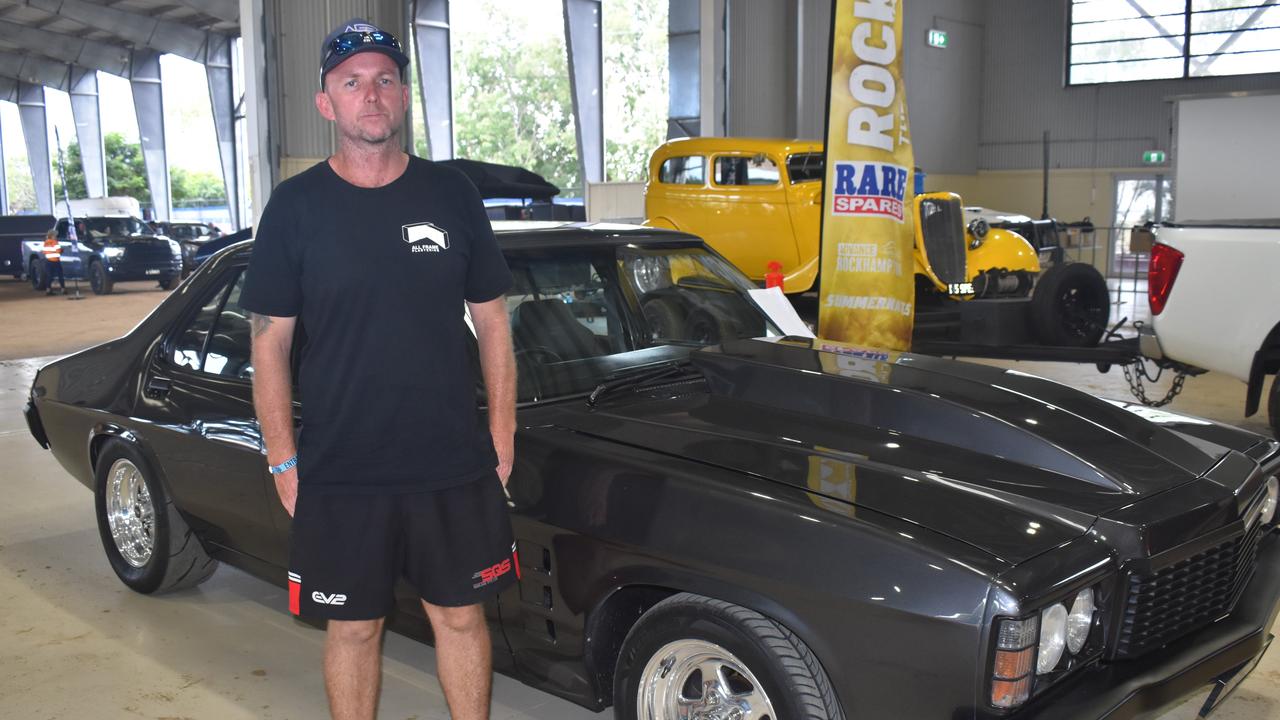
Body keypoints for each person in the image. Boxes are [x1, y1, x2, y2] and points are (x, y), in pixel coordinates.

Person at [240, 18, 518, 720]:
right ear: (326, 102)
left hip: (451, 463)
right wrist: (281, 458)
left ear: (403, 97)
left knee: (460, 620)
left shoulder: (451, 195)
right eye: (353, 82)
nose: (372, 95)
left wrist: (503, 435)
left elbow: (492, 321)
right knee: (355, 627)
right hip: (341, 466)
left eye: (386, 80)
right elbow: (269, 342)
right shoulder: (295, 209)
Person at [42, 229, 66, 295]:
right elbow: (59, 251)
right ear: (52, 235)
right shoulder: (55, 242)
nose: (56, 236)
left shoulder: (46, 242)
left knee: (49, 276)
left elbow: (44, 251)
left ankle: (48, 290)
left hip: (48, 261)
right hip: (56, 261)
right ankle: (63, 289)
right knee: (60, 275)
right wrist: (62, 250)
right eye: (55, 235)